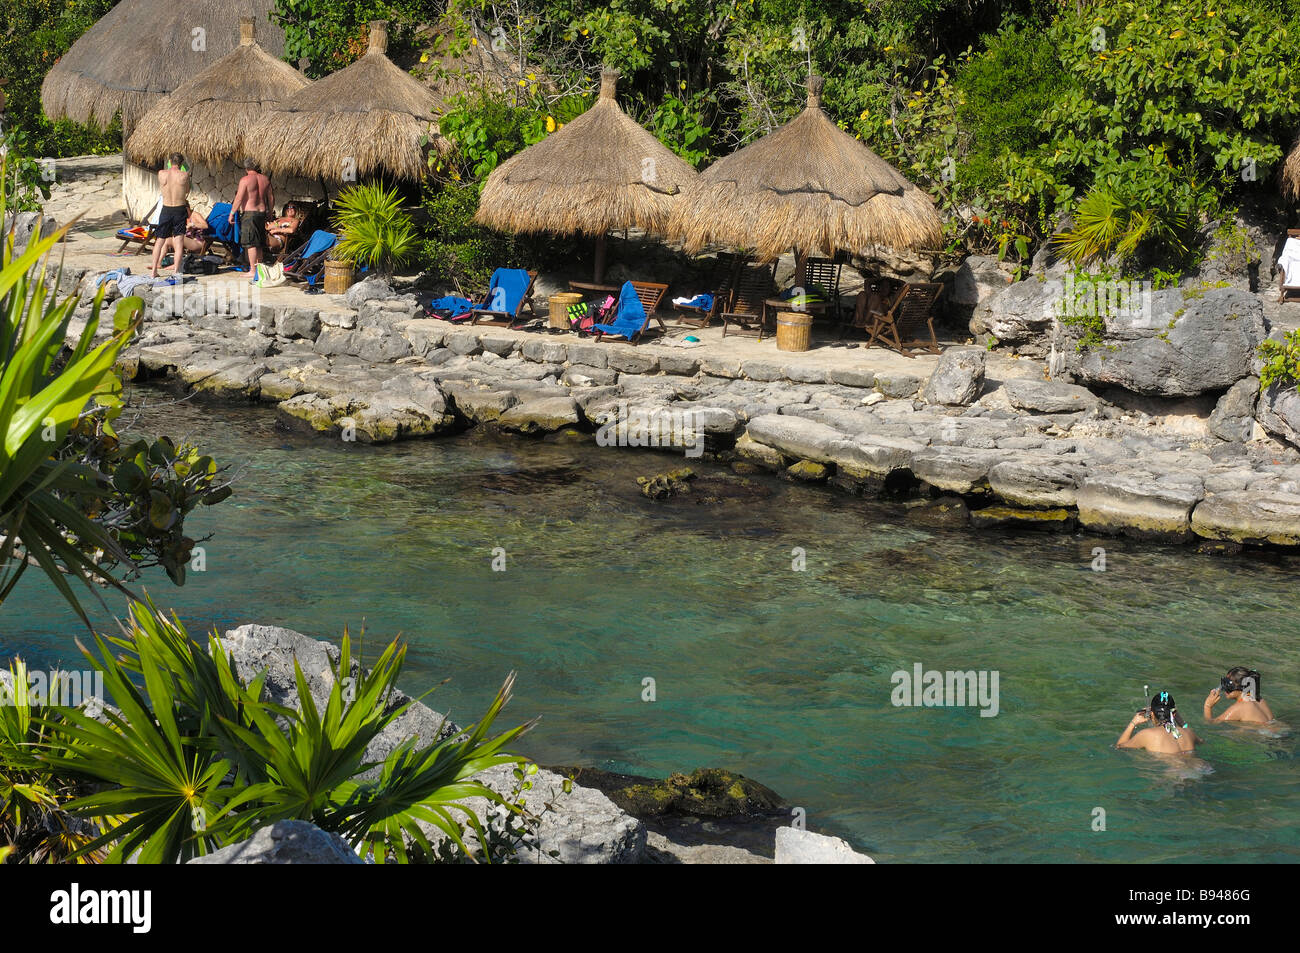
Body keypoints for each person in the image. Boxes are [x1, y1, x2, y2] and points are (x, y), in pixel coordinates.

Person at [148, 153, 191, 278]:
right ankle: (176, 271)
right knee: (179, 242)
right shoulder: (184, 175)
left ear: (169, 161)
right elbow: (187, 190)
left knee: (159, 241)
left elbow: (163, 186)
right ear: (181, 163)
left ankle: (154, 271)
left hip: (166, 209)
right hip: (179, 209)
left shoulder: (161, 173)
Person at [229, 158, 273, 278]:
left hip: (250, 213)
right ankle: (259, 269)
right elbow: (271, 198)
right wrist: (270, 212)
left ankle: (253, 270)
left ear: (246, 168)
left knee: (251, 243)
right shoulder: (265, 179)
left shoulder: (245, 180)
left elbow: (238, 198)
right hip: (262, 213)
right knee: (259, 242)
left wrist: (232, 213)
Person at [1117, 691, 1200, 754]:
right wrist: (1181, 721)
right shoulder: (1189, 732)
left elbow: (1119, 747)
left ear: (1152, 713)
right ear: (1174, 713)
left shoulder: (1147, 734)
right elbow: (1200, 742)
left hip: (1174, 772)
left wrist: (1133, 723)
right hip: (1201, 766)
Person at [1204, 667, 1274, 725]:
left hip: (1270, 740)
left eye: (1228, 685)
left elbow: (1211, 724)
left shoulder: (1239, 708)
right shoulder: (1259, 699)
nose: (1224, 688)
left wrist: (1208, 706)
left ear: (1241, 688)